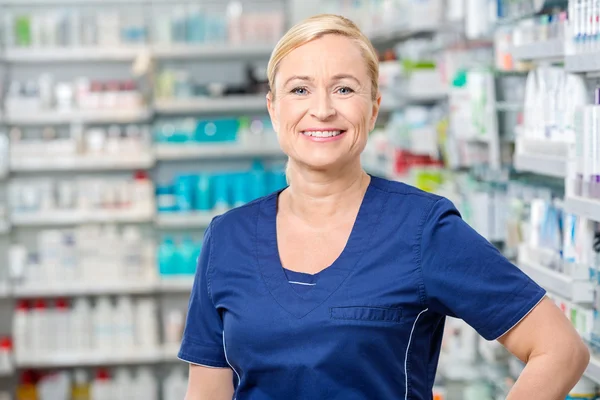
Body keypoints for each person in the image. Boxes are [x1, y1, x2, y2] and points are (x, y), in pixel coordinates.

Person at [179, 14, 589, 400]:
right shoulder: (227, 237)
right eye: (300, 89)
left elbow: (560, 350)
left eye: (344, 89)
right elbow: (206, 392)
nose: (322, 109)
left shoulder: (421, 229)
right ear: (273, 108)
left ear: (373, 108)